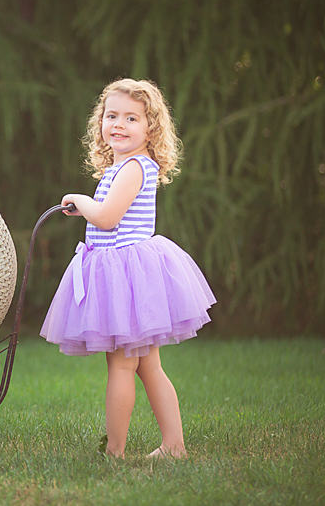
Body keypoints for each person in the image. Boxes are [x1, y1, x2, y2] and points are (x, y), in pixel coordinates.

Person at [40, 78, 216, 459]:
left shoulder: (136, 167)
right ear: (99, 122)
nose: (118, 124)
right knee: (147, 367)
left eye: (131, 118)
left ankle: (115, 451)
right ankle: (174, 445)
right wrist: (87, 205)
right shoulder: (120, 168)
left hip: (128, 278)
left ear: (150, 128)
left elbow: (106, 218)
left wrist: (81, 201)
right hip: (121, 276)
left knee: (122, 367)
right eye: (111, 115)